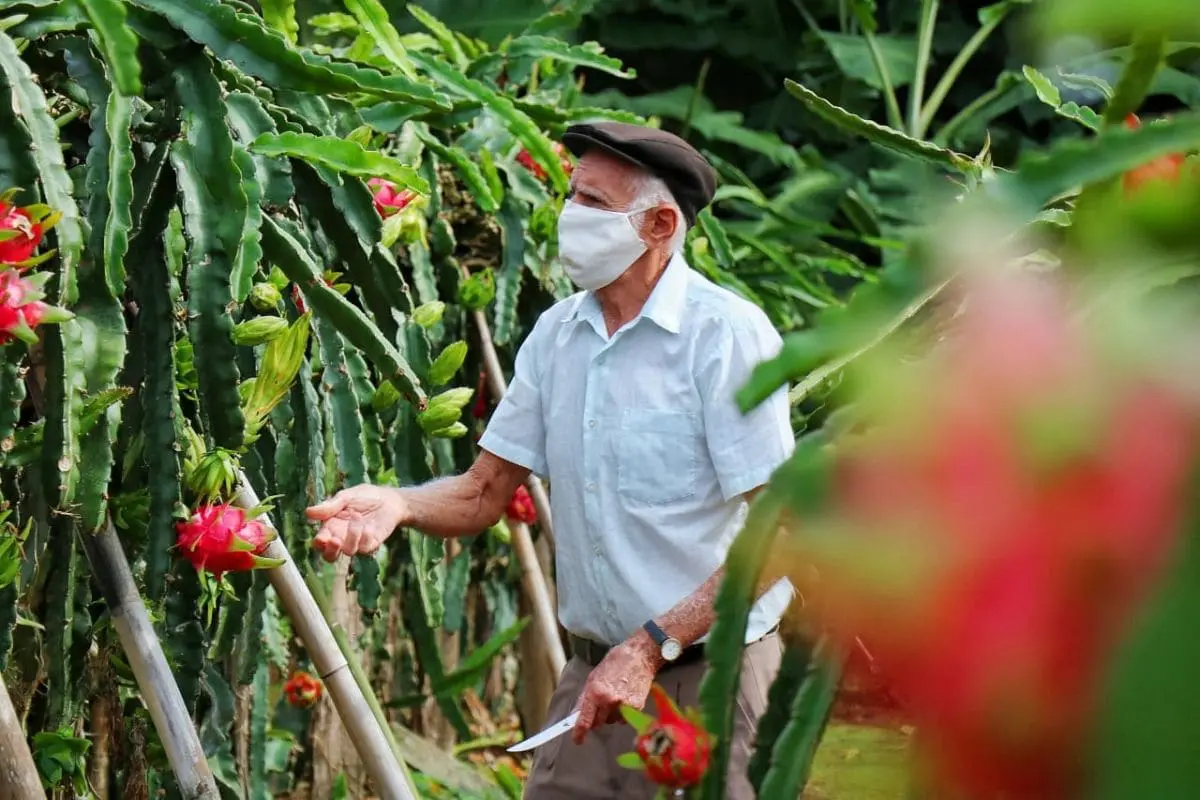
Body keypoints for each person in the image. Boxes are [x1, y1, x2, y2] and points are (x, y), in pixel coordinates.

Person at [305, 121, 796, 799]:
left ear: (659, 225)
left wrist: (653, 644)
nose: (570, 218)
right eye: (571, 196)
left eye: (594, 204)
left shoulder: (725, 338)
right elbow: (482, 494)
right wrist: (399, 504)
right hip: (597, 675)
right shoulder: (557, 336)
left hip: (713, 674)